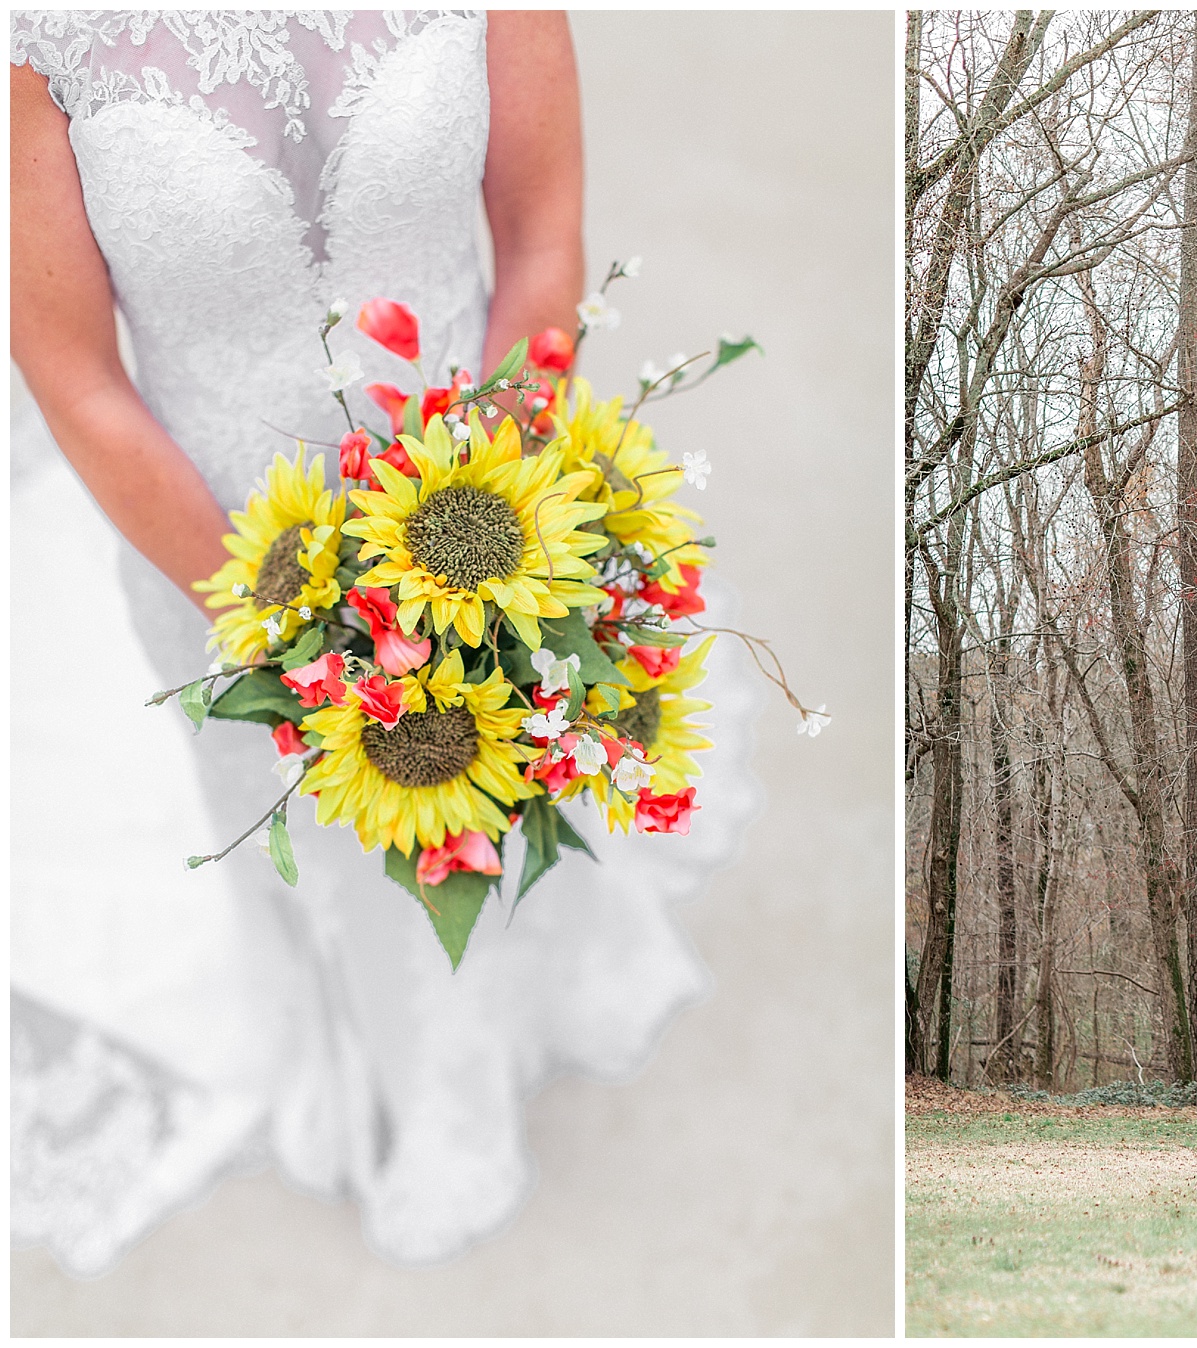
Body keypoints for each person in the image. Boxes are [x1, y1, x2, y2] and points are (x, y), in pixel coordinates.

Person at [10, 10, 757, 1275]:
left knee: (494, 803)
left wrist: (499, 532)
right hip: (217, 558)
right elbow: (73, 372)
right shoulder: (39, 34)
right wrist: (276, 627)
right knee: (299, 839)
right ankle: (348, 1058)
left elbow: (538, 237)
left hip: (478, 523)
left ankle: (482, 1047)